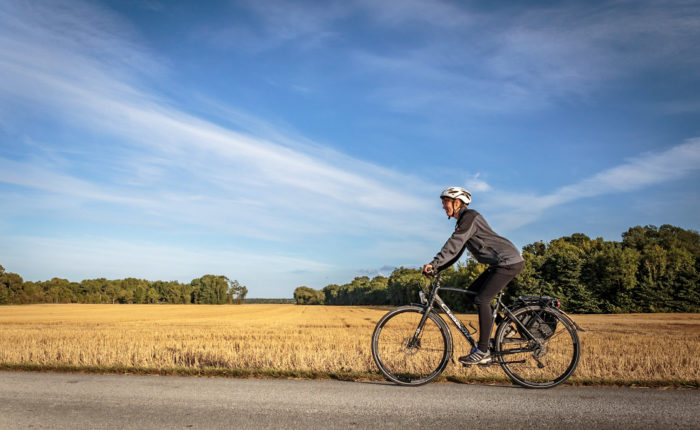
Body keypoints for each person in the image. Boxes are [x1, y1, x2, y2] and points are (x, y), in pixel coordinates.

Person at [422, 186, 524, 365]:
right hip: (500, 262)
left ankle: (483, 350)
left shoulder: (469, 217)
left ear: (457, 202)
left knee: (482, 300)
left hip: (507, 262)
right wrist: (437, 268)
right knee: (472, 295)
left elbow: (453, 244)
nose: (443, 206)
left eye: (446, 202)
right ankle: (503, 327)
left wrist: (434, 263)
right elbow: (457, 252)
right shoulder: (463, 222)